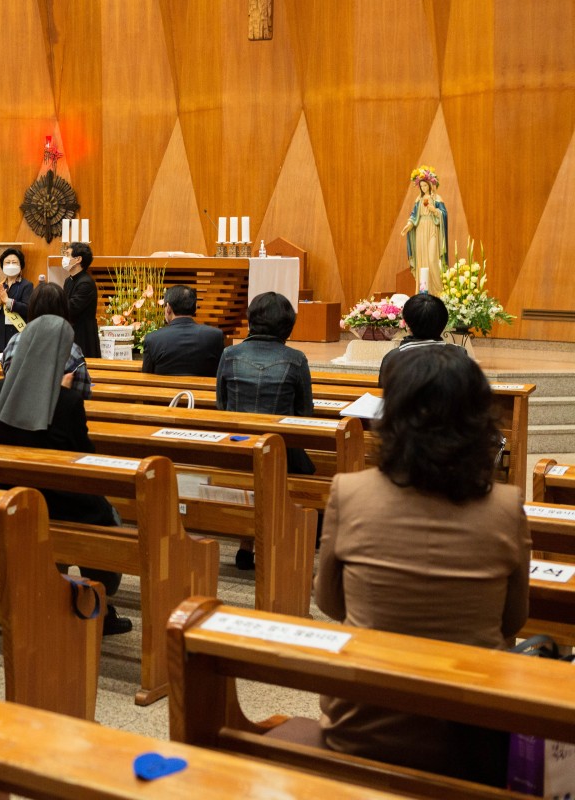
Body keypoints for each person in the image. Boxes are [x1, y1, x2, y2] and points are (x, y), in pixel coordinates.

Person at [315, 346, 529, 786]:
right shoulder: (507, 506)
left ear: (392, 418)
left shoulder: (349, 492)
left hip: (360, 728)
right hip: (473, 738)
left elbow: (330, 603)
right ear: (479, 423)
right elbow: (513, 621)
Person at [0, 315, 132, 636]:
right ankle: (100, 605)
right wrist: (59, 396)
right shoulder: (67, 402)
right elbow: (85, 457)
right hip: (65, 508)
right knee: (109, 517)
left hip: (9, 502)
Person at [217, 292, 314, 569]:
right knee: (307, 473)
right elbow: (305, 414)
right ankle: (281, 541)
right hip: (281, 451)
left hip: (238, 449)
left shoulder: (230, 354)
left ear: (251, 320)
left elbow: (221, 406)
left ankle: (245, 545)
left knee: (252, 471)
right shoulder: (296, 359)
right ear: (287, 325)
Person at [1, 281, 90, 399]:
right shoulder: (72, 351)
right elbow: (83, 395)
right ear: (64, 311)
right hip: (58, 409)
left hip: (14, 408)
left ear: (31, 309)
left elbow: (7, 377)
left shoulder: (14, 342)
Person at [141, 285, 224, 376]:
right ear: (195, 308)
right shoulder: (215, 336)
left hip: (165, 386)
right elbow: (222, 372)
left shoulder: (153, 339)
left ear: (168, 308)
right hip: (205, 385)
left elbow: (146, 376)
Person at [378, 292, 459, 384]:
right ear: (444, 324)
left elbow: (385, 390)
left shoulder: (393, 358)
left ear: (407, 325)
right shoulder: (459, 354)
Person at [400, 166, 448, 296]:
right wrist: (409, 225)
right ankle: (424, 292)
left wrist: (435, 210)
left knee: (432, 259)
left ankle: (438, 292)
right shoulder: (418, 200)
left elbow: (444, 215)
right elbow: (414, 215)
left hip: (432, 228)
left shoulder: (437, 198)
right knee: (422, 261)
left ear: (430, 185)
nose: (423, 188)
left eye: (425, 185)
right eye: (421, 186)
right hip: (420, 229)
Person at [0, 248, 33, 352]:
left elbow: (27, 308)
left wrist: (7, 301)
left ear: (21, 265)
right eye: (7, 262)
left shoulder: (27, 285)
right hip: (1, 333)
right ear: (2, 266)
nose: (10, 265)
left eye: (14, 262)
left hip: (18, 332)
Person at [62, 241, 101, 358]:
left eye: (67, 254)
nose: (64, 258)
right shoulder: (68, 281)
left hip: (83, 335)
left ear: (78, 259)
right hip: (70, 331)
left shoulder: (86, 283)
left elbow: (71, 308)